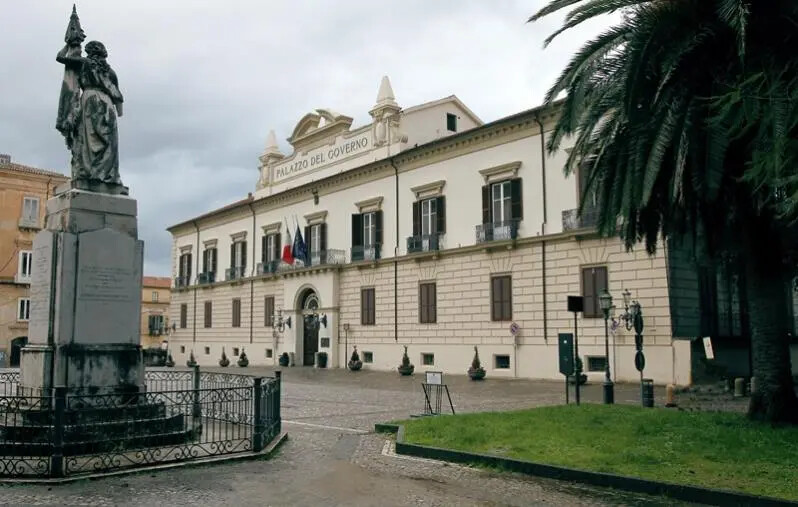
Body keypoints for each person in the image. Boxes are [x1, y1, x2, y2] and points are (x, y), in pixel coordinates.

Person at [56, 39, 125, 190]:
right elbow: (120, 107)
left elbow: (60, 57)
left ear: (90, 52)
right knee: (108, 143)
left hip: (90, 100)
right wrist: (115, 111)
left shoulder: (84, 63)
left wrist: (69, 44)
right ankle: (108, 175)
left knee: (87, 140)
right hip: (108, 105)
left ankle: (88, 173)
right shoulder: (111, 73)